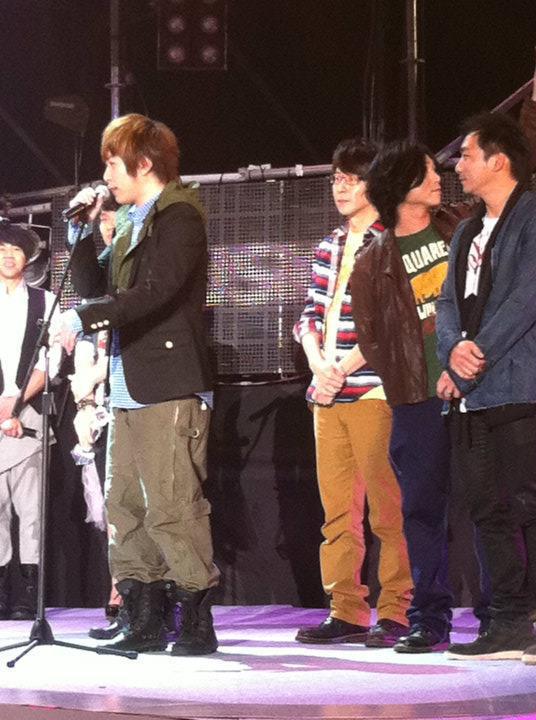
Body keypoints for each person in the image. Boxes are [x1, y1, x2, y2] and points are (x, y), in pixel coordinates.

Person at [57, 113, 219, 655]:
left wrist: (84, 317)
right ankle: (142, 615)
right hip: (128, 383)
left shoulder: (179, 216)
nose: (106, 176)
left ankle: (195, 620)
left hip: (168, 381)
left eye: (112, 163)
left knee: (172, 504)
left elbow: (154, 291)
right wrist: (82, 233)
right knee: (124, 503)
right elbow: (95, 286)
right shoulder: (129, 219)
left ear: (143, 163)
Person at [293, 139, 412, 648]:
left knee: (388, 509)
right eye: (336, 178)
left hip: (372, 392)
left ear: (374, 184)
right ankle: (345, 609)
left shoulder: (392, 242)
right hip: (326, 393)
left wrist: (340, 369)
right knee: (338, 512)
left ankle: (397, 610)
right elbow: (309, 314)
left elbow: (393, 323)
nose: (340, 187)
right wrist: (318, 364)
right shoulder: (329, 245)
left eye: (351, 178)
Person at [436, 111, 536, 661]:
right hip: (473, 394)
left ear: (499, 161)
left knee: (526, 505)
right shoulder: (467, 230)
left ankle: (528, 619)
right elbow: (447, 303)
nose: (458, 165)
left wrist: (476, 355)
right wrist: (453, 351)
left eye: (467, 155)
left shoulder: (532, 216)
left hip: (519, 387)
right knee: (487, 509)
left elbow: (526, 298)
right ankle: (508, 621)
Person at [0, 221, 57, 620]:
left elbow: (51, 361)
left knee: (31, 511)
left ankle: (30, 599)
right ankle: (2, 595)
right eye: (1, 248)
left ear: (28, 258)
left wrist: (15, 405)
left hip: (29, 416)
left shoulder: (45, 301)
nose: (8, 255)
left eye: (16, 249)